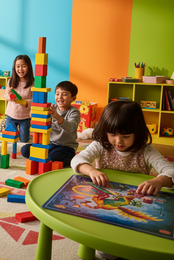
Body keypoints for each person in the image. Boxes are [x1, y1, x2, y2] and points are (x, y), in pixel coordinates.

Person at [72, 100, 174, 260]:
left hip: (136, 206)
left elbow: (171, 171)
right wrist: (91, 170)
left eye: (125, 136)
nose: (118, 141)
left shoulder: (145, 151)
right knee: (106, 252)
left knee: (142, 247)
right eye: (112, 134)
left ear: (138, 132)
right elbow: (77, 160)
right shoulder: (101, 145)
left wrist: (159, 181)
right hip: (106, 208)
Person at [21, 81, 81, 167]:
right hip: (49, 144)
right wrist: (34, 113)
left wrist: (57, 116)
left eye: (64, 94)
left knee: (50, 158)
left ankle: (70, 159)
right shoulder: (51, 107)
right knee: (25, 150)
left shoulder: (74, 112)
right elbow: (39, 115)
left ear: (73, 98)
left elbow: (70, 128)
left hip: (66, 147)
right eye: (57, 94)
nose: (60, 97)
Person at [5, 55, 34, 143]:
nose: (20, 69)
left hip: (25, 116)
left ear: (28, 67)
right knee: (9, 138)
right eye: (18, 66)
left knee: (24, 140)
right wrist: (10, 95)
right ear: (14, 68)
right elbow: (6, 96)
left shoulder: (32, 83)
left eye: (24, 66)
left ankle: (22, 133)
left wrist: (25, 102)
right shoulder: (11, 81)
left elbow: (34, 100)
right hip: (11, 115)